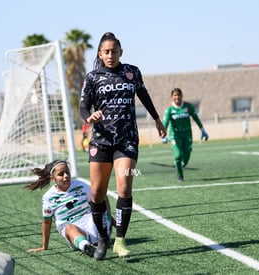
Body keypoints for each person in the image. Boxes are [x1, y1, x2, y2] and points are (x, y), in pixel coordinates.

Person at [80, 32, 166, 260]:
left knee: (124, 187)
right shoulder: (92, 77)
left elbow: (143, 94)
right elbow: (83, 107)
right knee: (97, 193)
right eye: (106, 51)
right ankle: (101, 238)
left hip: (127, 140)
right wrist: (89, 117)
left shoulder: (132, 72)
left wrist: (157, 119)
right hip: (100, 141)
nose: (110, 55)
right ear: (100, 53)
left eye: (114, 51)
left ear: (121, 52)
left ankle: (120, 241)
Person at [24, 159, 113, 257]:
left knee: (101, 194)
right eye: (61, 174)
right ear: (53, 178)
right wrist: (44, 246)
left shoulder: (80, 185)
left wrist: (115, 223)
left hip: (92, 224)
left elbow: (98, 207)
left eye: (67, 172)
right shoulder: (48, 197)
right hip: (74, 233)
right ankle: (86, 247)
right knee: (69, 228)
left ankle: (104, 236)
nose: (66, 176)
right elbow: (47, 222)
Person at [162, 88, 208, 182]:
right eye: (175, 95)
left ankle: (181, 166)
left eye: (178, 95)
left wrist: (203, 130)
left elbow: (196, 118)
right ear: (172, 97)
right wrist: (163, 135)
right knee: (178, 155)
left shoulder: (188, 107)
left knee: (186, 156)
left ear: (181, 96)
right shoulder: (169, 110)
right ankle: (180, 175)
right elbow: (165, 122)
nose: (177, 97)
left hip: (187, 135)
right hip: (175, 135)